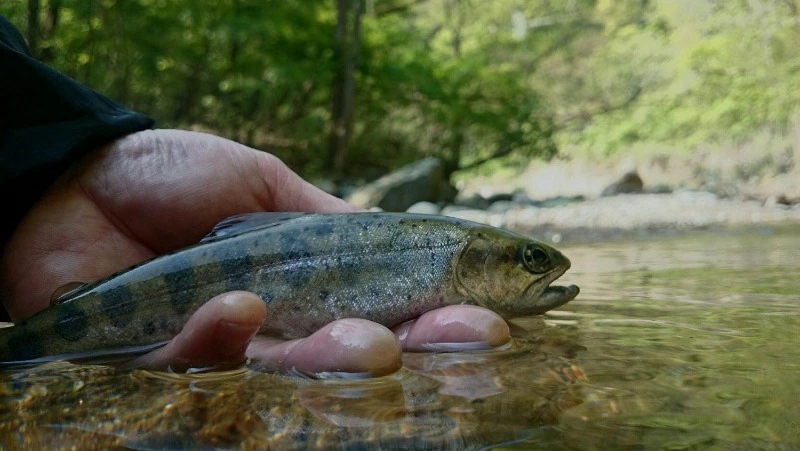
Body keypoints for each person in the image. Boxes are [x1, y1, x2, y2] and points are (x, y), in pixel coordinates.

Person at [0, 15, 510, 376]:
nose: (537, 268)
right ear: (476, 262)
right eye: (527, 260)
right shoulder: (436, 242)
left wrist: (51, 172)